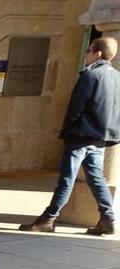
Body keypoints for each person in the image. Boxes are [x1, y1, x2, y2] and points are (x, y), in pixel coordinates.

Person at [23, 37, 120, 235]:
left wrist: (68, 130)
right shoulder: (118, 78)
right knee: (96, 178)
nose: (85, 54)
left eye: (88, 50)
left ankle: (48, 219)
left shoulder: (90, 76)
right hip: (100, 137)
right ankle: (108, 218)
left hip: (81, 135)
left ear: (97, 53)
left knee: (67, 177)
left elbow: (75, 107)